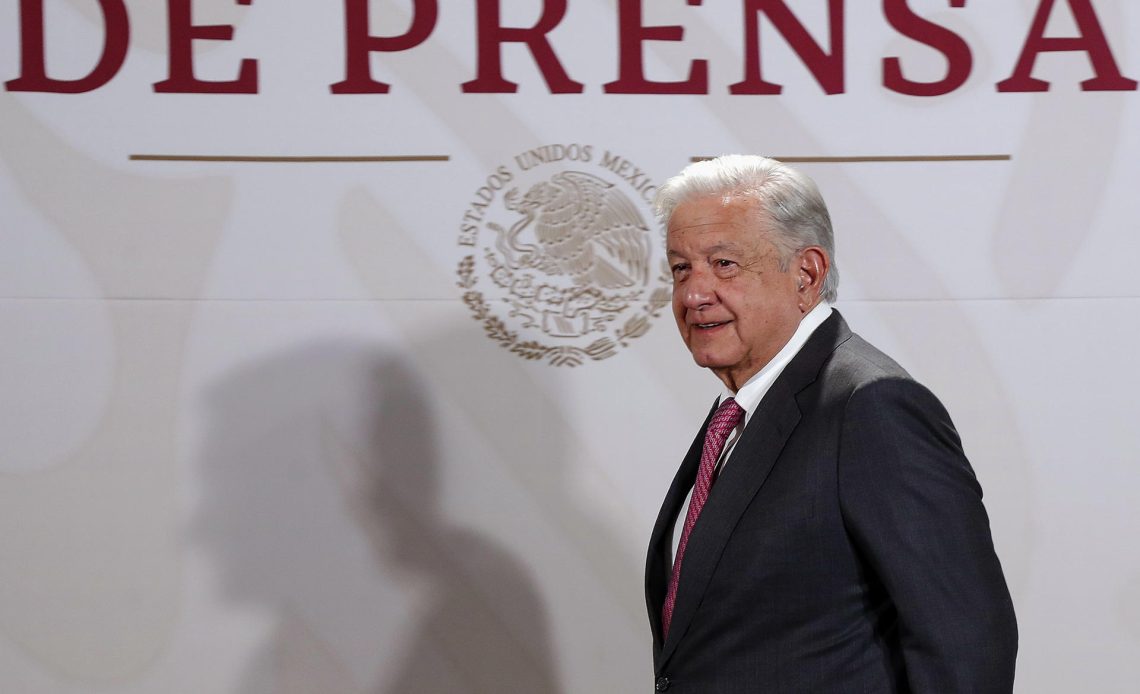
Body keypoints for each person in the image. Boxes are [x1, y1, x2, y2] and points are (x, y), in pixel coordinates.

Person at [645, 155, 1017, 692]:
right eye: (682, 269)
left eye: (724, 264)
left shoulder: (871, 405)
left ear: (807, 273)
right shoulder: (742, 407)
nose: (694, 294)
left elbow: (967, 641)